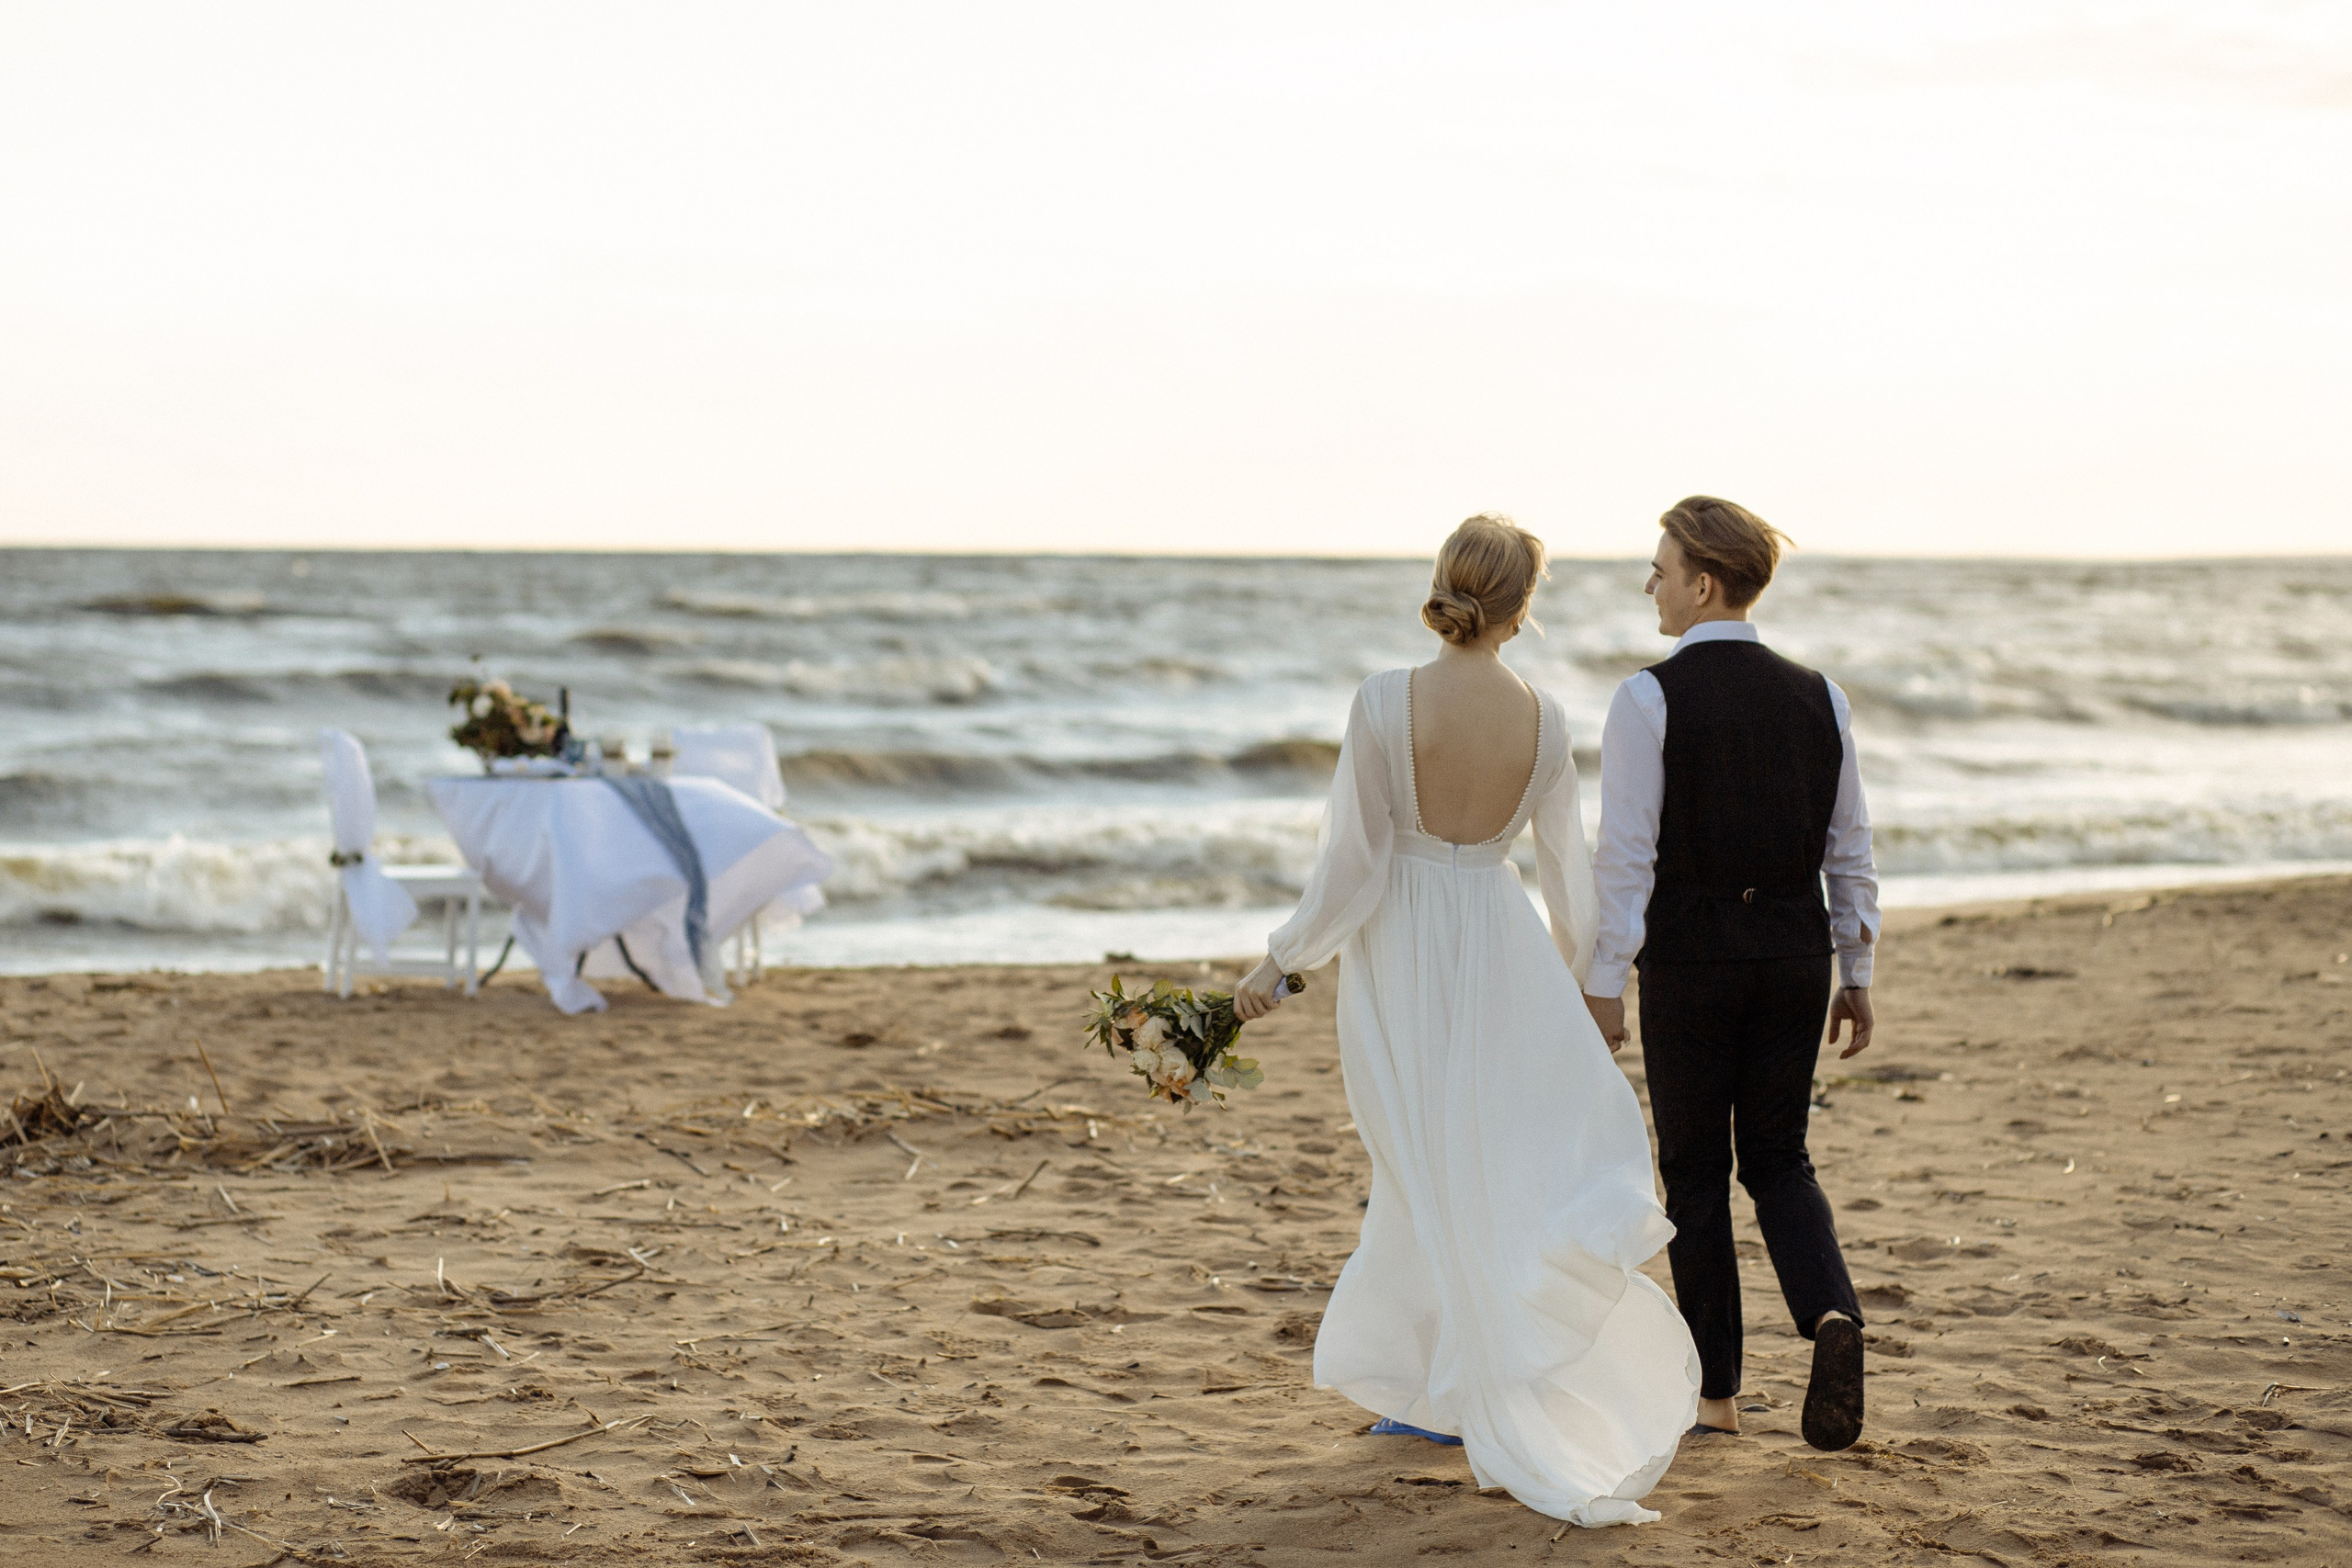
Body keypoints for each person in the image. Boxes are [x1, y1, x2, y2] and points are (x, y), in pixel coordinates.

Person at [1233, 515, 1702, 1528]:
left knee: (1413, 1156)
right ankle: (1443, 1379)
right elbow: (1570, 875)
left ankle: (1440, 1390)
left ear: (1444, 583)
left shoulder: (1383, 701)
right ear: (1523, 606)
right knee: (1479, 1151)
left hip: (1401, 944)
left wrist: (1281, 960)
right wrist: (1590, 989)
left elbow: (1352, 866)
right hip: (1497, 939)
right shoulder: (1541, 717)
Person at [1579, 496, 1879, 1453]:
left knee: (1697, 1176)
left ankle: (1716, 1397)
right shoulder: (1820, 695)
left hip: (1694, 966)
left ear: (1702, 581)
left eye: (1660, 569)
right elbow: (1851, 849)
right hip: (1795, 959)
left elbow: (1625, 857)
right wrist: (1856, 968)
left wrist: (1602, 978)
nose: (1650, 585)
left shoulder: (1647, 698)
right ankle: (1831, 1313)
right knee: (1781, 1159)